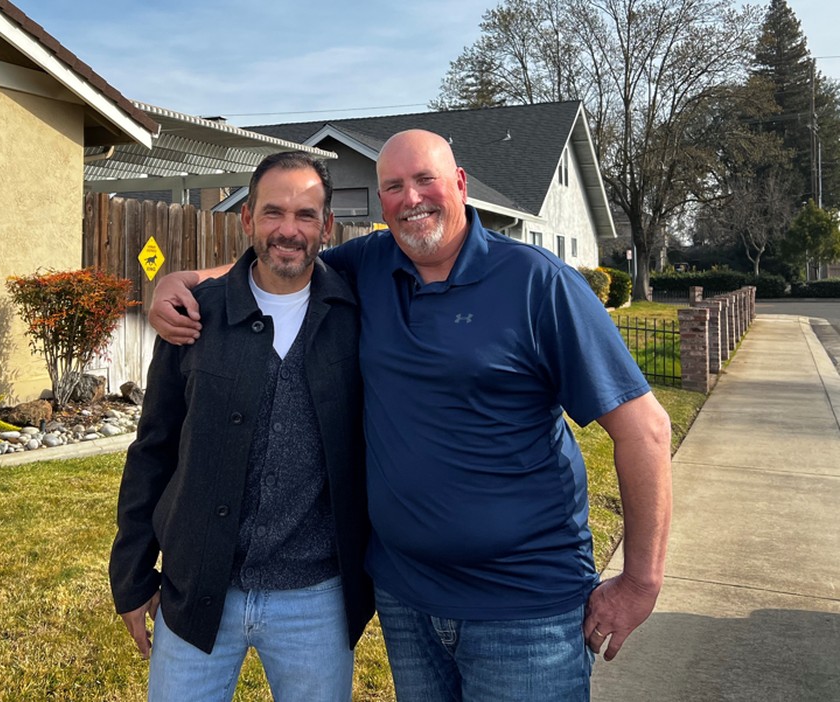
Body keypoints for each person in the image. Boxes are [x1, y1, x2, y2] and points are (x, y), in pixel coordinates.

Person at [149, 130, 673, 701]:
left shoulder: (535, 283)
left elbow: (645, 430)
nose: (411, 198)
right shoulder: (371, 265)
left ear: (461, 185)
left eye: (425, 179)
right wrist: (182, 282)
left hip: (523, 609)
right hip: (408, 603)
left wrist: (642, 581)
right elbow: (283, 261)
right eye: (393, 186)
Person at [109, 151, 373, 702]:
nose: (289, 230)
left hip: (316, 598)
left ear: (326, 226)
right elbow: (154, 449)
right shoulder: (194, 317)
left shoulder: (357, 316)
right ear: (247, 218)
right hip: (197, 586)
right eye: (273, 212)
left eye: (306, 215)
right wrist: (132, 575)